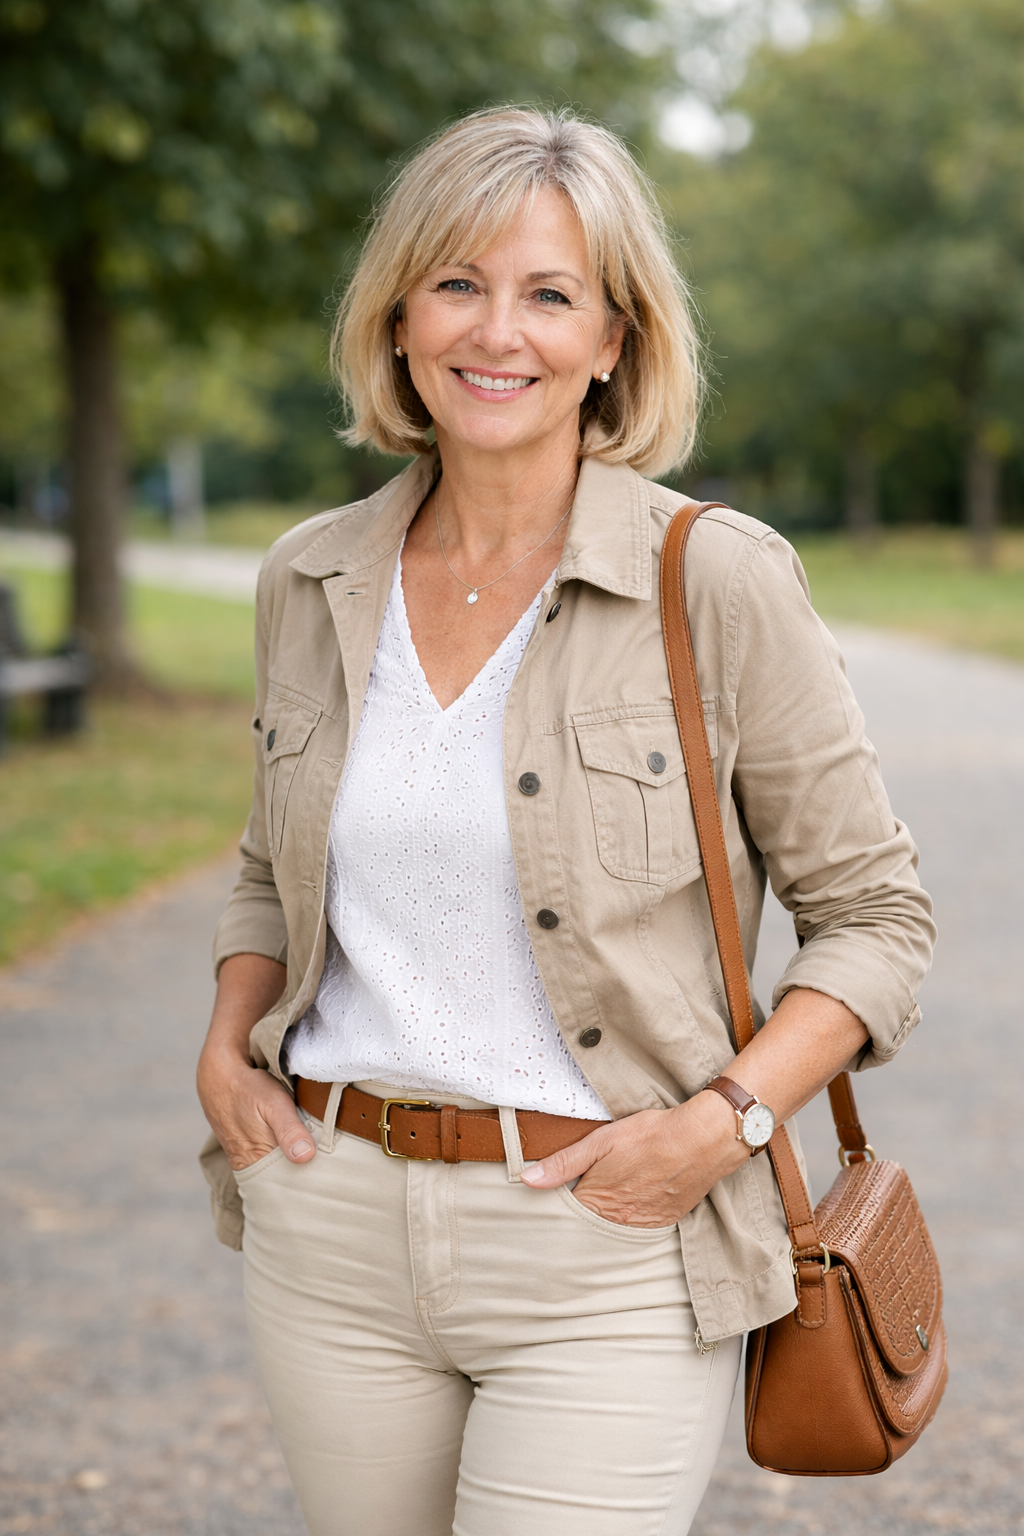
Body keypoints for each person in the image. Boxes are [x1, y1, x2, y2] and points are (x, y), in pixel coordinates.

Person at [197, 107, 934, 1536]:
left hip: (609, 1241)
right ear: (400, 314)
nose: (500, 332)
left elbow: (877, 923)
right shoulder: (311, 578)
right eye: (459, 283)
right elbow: (265, 869)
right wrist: (227, 1040)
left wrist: (720, 1126)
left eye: (552, 295)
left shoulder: (713, 579)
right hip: (329, 1225)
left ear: (615, 340)